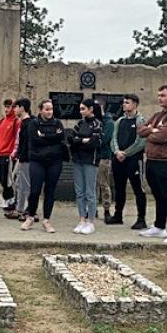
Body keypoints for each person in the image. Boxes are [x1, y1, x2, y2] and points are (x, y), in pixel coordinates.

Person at [137, 85, 167, 245]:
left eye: (163, 95)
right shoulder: (158, 115)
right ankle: (159, 226)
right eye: (158, 95)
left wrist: (152, 132)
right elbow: (141, 131)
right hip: (152, 159)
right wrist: (152, 130)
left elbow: (162, 137)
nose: (160, 98)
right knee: (158, 195)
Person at [21, 99, 64, 233]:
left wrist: (44, 136)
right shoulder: (34, 124)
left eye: (51, 109)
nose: (49, 112)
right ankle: (30, 216)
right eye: (46, 109)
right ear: (40, 110)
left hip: (54, 161)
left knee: (50, 191)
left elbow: (60, 138)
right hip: (37, 160)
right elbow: (35, 140)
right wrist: (51, 137)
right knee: (35, 190)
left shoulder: (58, 123)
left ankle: (46, 220)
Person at [109, 94, 147, 229]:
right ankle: (118, 215)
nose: (124, 105)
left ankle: (141, 219)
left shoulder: (140, 120)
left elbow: (141, 142)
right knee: (119, 188)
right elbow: (113, 138)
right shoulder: (119, 121)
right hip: (118, 159)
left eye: (127, 102)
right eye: (124, 102)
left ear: (135, 104)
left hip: (134, 160)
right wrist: (117, 152)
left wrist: (126, 153)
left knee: (138, 189)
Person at [69, 99, 103, 235]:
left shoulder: (97, 124)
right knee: (79, 192)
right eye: (80, 109)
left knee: (90, 192)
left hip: (90, 160)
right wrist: (83, 140)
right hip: (78, 160)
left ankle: (91, 222)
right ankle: (82, 219)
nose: (81, 111)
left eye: (83, 109)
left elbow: (95, 142)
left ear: (91, 109)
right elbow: (71, 139)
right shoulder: (79, 123)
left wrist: (80, 140)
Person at [6, 98, 33, 221]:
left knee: (25, 184)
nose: (14, 109)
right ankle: (19, 208)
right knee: (17, 182)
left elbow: (27, 143)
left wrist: (21, 155)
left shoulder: (29, 124)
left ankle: (26, 210)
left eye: (16, 107)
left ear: (22, 108)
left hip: (26, 158)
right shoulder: (22, 123)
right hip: (21, 157)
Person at [0, 99, 19, 212]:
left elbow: (17, 138)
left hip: (8, 154)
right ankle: (7, 197)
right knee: (1, 179)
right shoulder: (2, 121)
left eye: (9, 107)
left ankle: (9, 198)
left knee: (7, 179)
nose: (6, 109)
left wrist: (14, 153)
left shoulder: (16, 122)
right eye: (5, 107)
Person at [96, 102, 115, 224]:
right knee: (93, 185)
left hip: (103, 156)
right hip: (91, 157)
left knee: (104, 184)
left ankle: (106, 209)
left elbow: (104, 139)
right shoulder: (91, 121)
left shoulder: (108, 122)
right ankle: (92, 209)